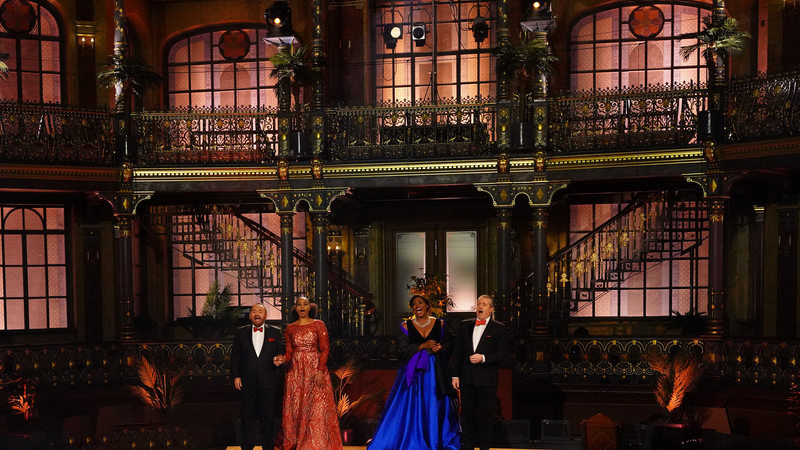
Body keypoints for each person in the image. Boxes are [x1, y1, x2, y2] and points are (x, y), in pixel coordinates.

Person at [368, 295, 461, 450]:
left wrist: (441, 348)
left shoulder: (440, 323)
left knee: (435, 404)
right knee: (410, 406)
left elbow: (450, 345)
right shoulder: (406, 325)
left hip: (435, 372)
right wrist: (422, 346)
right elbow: (401, 350)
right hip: (413, 374)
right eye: (413, 304)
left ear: (427, 306)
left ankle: (436, 439)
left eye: (420, 303)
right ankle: (411, 439)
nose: (417, 306)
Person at [279, 296, 343, 450]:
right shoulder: (290, 328)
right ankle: (295, 440)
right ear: (295, 308)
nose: (302, 307)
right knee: (296, 406)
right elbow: (289, 351)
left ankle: (315, 443)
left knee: (316, 405)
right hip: (295, 371)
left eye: (305, 304)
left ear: (309, 308)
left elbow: (325, 349)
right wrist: (283, 359)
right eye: (299, 304)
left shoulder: (318, 325)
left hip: (314, 369)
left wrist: (320, 370)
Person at [450, 294, 509, 450]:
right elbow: (457, 352)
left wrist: (483, 357)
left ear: (491, 309)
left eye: (484, 304)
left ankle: (484, 447)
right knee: (467, 415)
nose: (480, 307)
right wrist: (455, 375)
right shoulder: (465, 325)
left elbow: (503, 355)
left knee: (485, 416)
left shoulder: (499, 328)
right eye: (478, 304)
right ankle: (468, 446)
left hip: (487, 380)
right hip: (467, 379)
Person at [231, 303, 285, 450]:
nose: (256, 313)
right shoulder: (241, 332)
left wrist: (279, 358)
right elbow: (235, 356)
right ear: (249, 316)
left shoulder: (275, 332)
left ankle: (268, 447)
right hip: (247, 382)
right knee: (247, 418)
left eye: (260, 311)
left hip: (268, 381)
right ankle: (247, 446)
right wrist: (236, 376)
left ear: (265, 316)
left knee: (267, 419)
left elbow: (281, 352)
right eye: (253, 311)